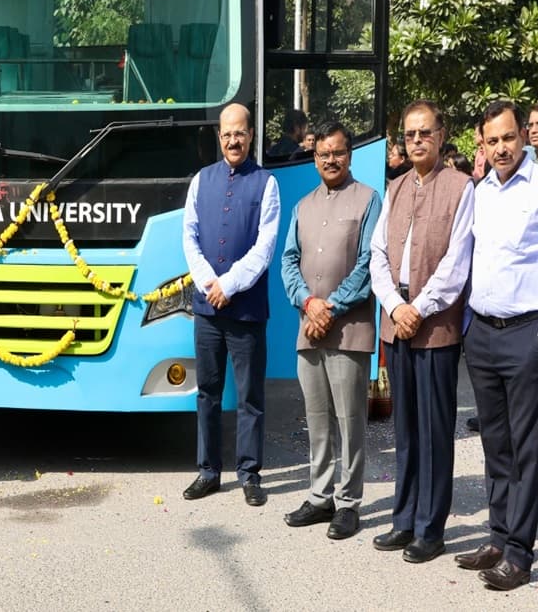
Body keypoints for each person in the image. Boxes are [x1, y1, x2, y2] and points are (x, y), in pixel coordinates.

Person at [457, 100, 538, 590]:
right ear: (481, 144)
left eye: (510, 137)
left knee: (525, 449)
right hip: (482, 335)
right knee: (495, 445)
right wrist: (468, 328)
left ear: (524, 137)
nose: (502, 147)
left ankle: (520, 555)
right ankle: (499, 536)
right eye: (493, 140)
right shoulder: (480, 192)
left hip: (527, 336)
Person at [369, 99, 474, 564]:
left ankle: (432, 529)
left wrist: (419, 307)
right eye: (409, 134)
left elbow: (457, 262)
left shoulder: (460, 187)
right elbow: (376, 255)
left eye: (424, 133)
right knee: (405, 430)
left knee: (435, 431)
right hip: (398, 321)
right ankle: (403, 519)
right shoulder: (392, 189)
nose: (416, 141)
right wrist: (394, 304)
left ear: (441, 134)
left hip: (436, 326)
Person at [280, 121, 381, 540]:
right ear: (314, 157)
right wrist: (308, 303)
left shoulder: (368, 200)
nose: (330, 160)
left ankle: (349, 503)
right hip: (309, 329)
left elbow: (369, 264)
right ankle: (320, 496)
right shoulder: (303, 205)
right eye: (322, 154)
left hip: (348, 330)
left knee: (350, 419)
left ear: (350, 154)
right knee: (317, 418)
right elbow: (288, 261)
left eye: (337, 152)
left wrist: (331, 307)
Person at [181, 102, 280, 506]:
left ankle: (249, 473)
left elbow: (265, 246)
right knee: (206, 391)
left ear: (251, 135)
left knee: (249, 395)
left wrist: (230, 284)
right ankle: (208, 471)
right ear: (218, 137)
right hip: (207, 309)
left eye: (240, 132)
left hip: (246, 309)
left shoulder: (266, 184)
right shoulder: (201, 181)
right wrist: (210, 283)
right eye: (227, 133)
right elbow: (189, 236)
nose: (233, 140)